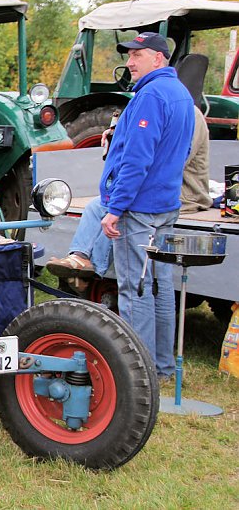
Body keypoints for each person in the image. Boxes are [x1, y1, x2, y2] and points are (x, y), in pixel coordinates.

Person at [98, 33, 194, 382]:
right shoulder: (181, 94)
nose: (131, 62)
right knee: (159, 285)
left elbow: (136, 160)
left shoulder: (151, 95)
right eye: (129, 55)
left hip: (140, 208)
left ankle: (138, 374)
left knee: (134, 288)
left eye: (138, 55)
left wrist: (116, 207)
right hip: (166, 204)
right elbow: (181, 153)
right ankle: (163, 367)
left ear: (159, 58)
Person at [47, 106, 211, 284]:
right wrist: (116, 140)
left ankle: (92, 273)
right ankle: (79, 256)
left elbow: (172, 162)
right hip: (155, 188)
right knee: (96, 206)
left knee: (118, 210)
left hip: (181, 193)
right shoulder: (160, 108)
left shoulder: (187, 114)